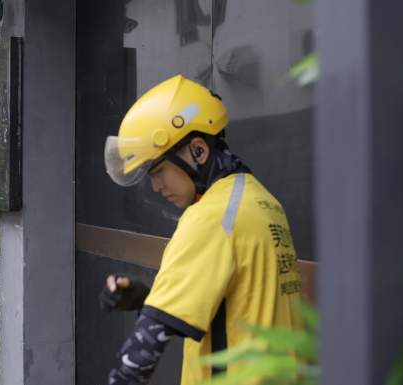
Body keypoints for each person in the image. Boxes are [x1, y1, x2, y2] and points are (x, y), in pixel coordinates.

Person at [101, 75, 302, 385]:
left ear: (198, 150)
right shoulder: (261, 201)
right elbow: (243, 304)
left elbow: (141, 354)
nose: (155, 186)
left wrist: (153, 316)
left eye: (157, 171)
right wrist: (149, 299)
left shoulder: (211, 217)